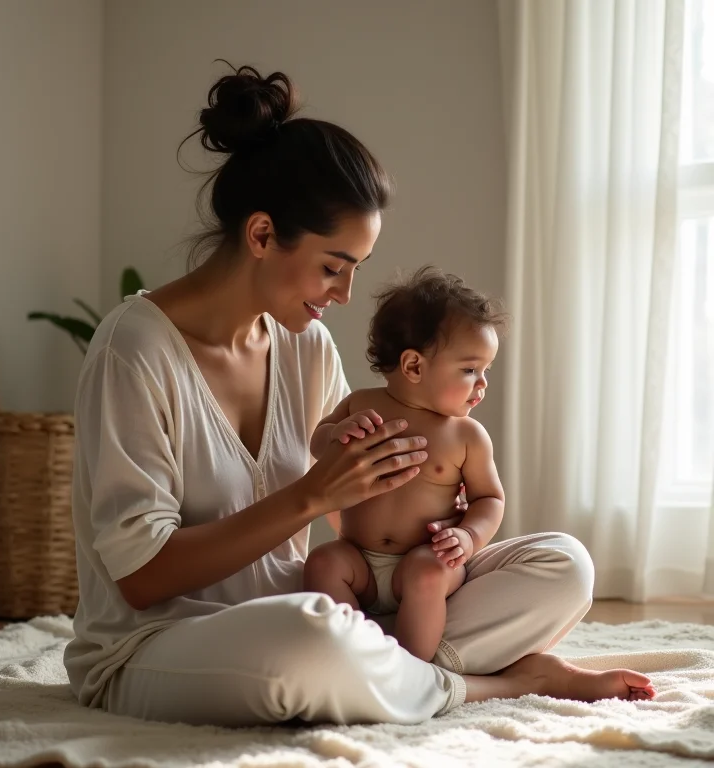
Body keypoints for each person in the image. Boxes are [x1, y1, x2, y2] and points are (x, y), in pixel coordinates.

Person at [63, 64, 656, 728]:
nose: (343, 296)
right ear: (261, 236)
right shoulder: (133, 350)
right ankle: (495, 683)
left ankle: (410, 669)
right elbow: (142, 580)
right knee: (311, 643)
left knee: (563, 564)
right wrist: (313, 496)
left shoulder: (303, 346)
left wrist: (436, 522)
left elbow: (360, 512)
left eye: (355, 272)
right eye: (331, 267)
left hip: (311, 607)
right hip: (163, 646)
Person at [304, 268, 507, 662]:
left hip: (423, 559)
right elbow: (317, 442)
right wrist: (336, 434)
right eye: (469, 370)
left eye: (485, 371)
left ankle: (411, 666)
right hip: (357, 557)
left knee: (426, 572)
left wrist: (468, 538)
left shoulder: (467, 436)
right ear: (413, 366)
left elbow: (490, 499)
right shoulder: (360, 404)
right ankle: (347, 654)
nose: (481, 383)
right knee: (323, 562)